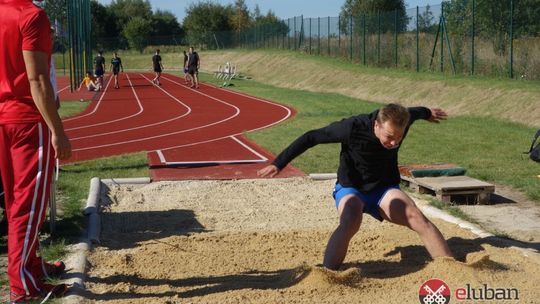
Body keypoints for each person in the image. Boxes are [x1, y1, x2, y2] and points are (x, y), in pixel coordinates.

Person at [258, 103, 454, 270]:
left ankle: (452, 268)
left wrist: (428, 113)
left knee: (416, 216)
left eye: (399, 138)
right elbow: (311, 137)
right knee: (351, 219)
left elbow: (416, 112)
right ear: (376, 124)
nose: (394, 142)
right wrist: (278, 163)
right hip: (352, 188)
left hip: (384, 189)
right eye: (389, 136)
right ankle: (327, 275)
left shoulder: (402, 120)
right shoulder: (352, 127)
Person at [0, 0, 72, 302]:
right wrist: (58, 132)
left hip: (3, 117)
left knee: (17, 200)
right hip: (29, 122)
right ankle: (24, 285)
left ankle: (30, 265)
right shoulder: (32, 16)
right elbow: (37, 78)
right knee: (29, 206)